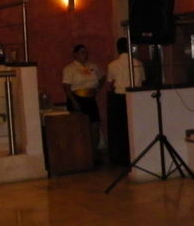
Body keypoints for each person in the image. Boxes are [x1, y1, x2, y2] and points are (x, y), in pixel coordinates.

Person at [62, 43, 105, 163]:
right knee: (80, 127)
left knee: (95, 125)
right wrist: (74, 102)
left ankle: (94, 153)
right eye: (82, 52)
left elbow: (102, 77)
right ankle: (81, 155)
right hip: (77, 98)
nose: (85, 55)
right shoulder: (69, 68)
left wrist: (98, 89)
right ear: (75, 54)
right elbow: (66, 86)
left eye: (86, 52)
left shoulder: (92, 66)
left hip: (90, 99)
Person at [106, 37, 145, 167]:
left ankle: (122, 156)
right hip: (136, 98)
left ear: (118, 49)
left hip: (119, 98)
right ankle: (136, 152)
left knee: (120, 128)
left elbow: (110, 84)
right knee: (136, 126)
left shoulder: (112, 65)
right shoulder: (138, 63)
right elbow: (142, 81)